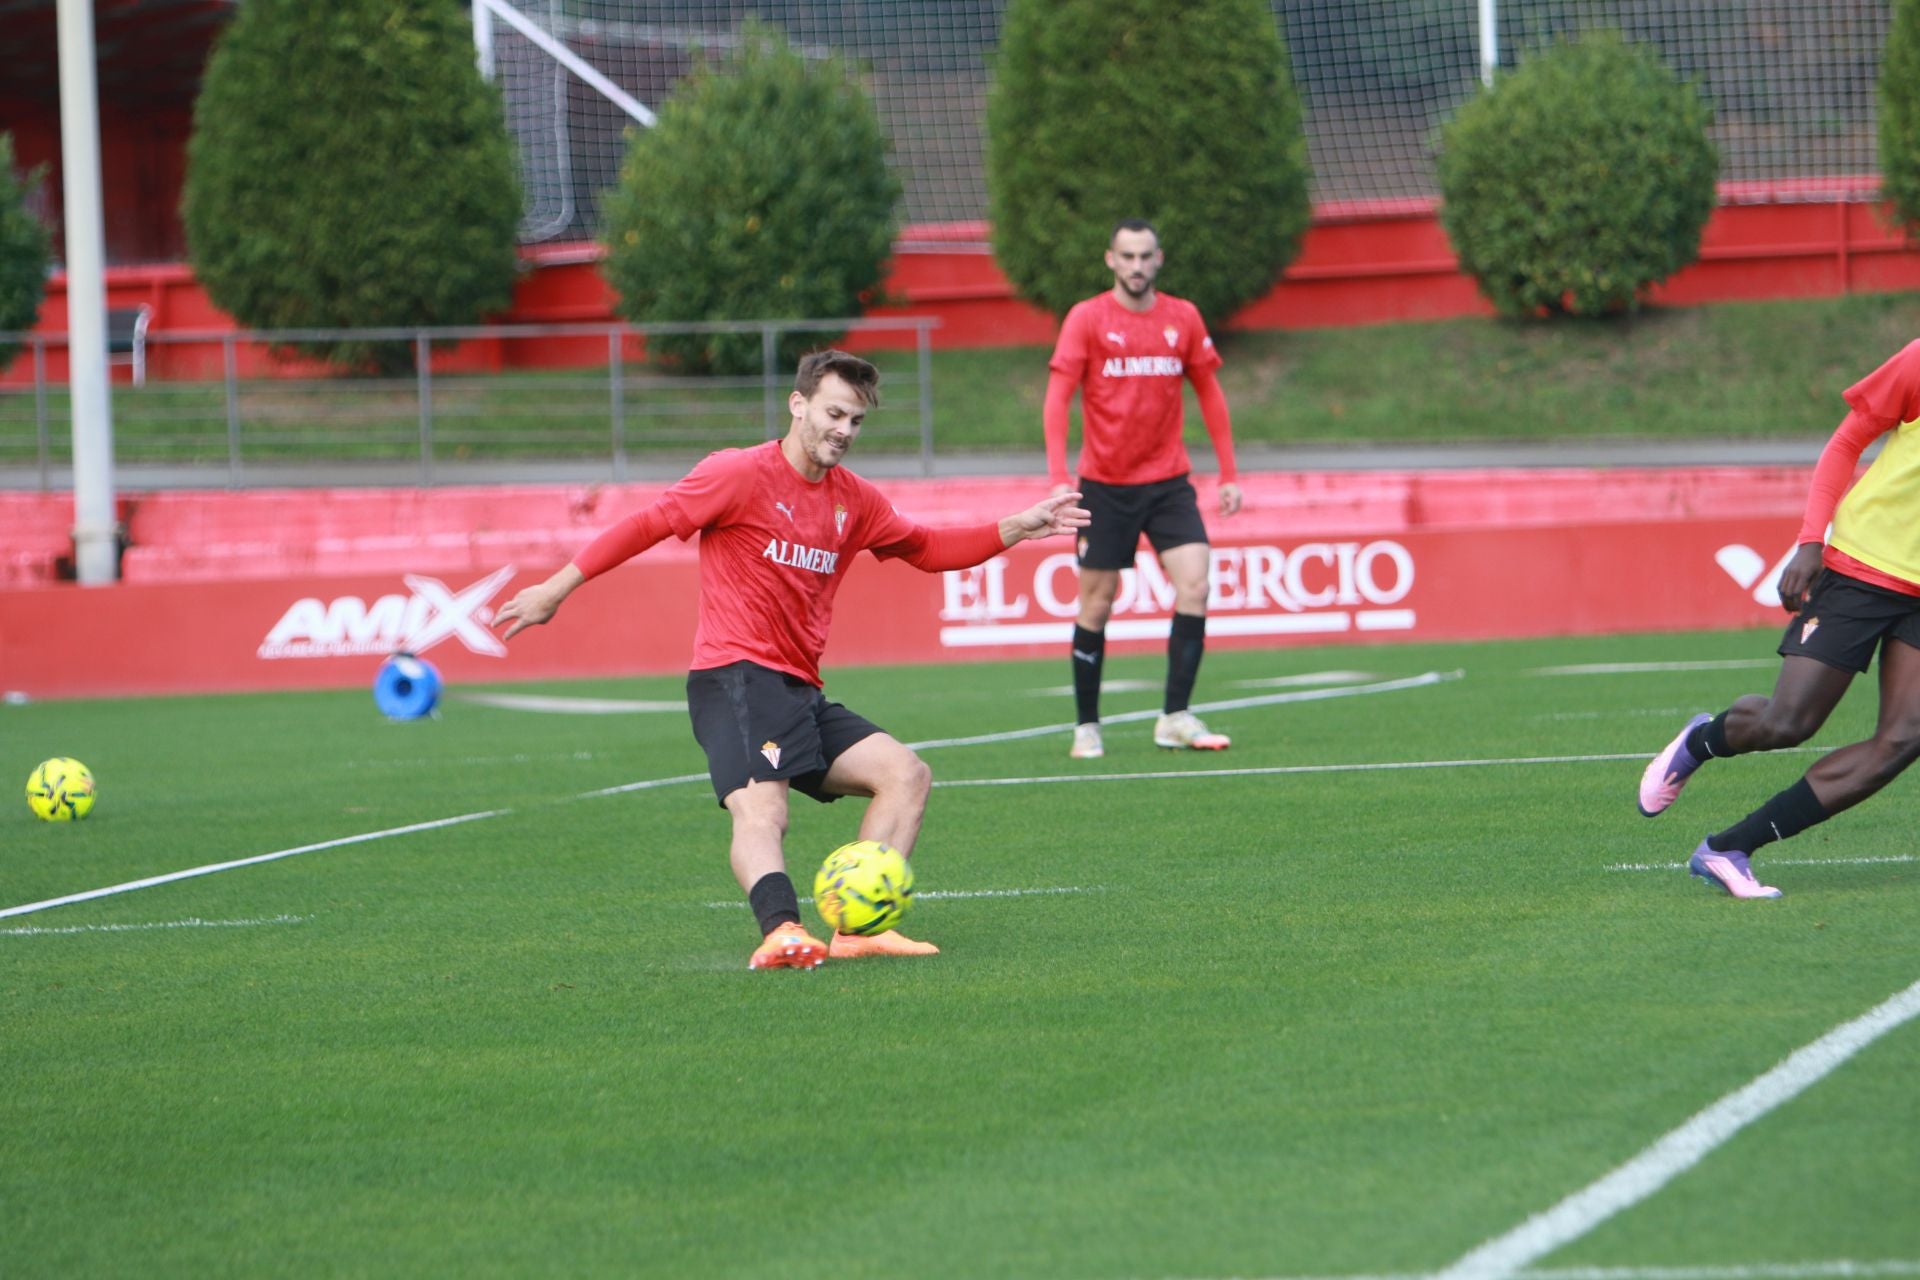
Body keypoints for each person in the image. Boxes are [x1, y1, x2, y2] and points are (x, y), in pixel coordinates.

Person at [494, 350, 1089, 968]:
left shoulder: (855, 500)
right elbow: (646, 525)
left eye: (856, 420)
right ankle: (780, 931)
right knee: (763, 808)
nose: (844, 430)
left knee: (905, 775)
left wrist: (1019, 527)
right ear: (798, 404)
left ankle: (858, 929)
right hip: (735, 677)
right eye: (834, 413)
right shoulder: (737, 473)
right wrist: (554, 589)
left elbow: (928, 548)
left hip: (799, 689)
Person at [1638, 338, 1920, 899]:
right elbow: (1847, 441)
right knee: (1788, 724)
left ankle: (1728, 848)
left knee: (1902, 739)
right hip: (1863, 568)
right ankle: (1701, 740)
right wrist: (1810, 540)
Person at [1044, 218, 1243, 760]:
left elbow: (1210, 393)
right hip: (1104, 486)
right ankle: (1087, 726)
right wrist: (1059, 476)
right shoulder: (1087, 318)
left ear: (1159, 259)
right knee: (1096, 603)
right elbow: (1058, 397)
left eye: (1145, 256)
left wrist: (1228, 473)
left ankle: (1174, 717)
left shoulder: (1183, 317)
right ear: (1111, 259)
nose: (1136, 266)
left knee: (1196, 586)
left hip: (1169, 484)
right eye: (1127, 256)